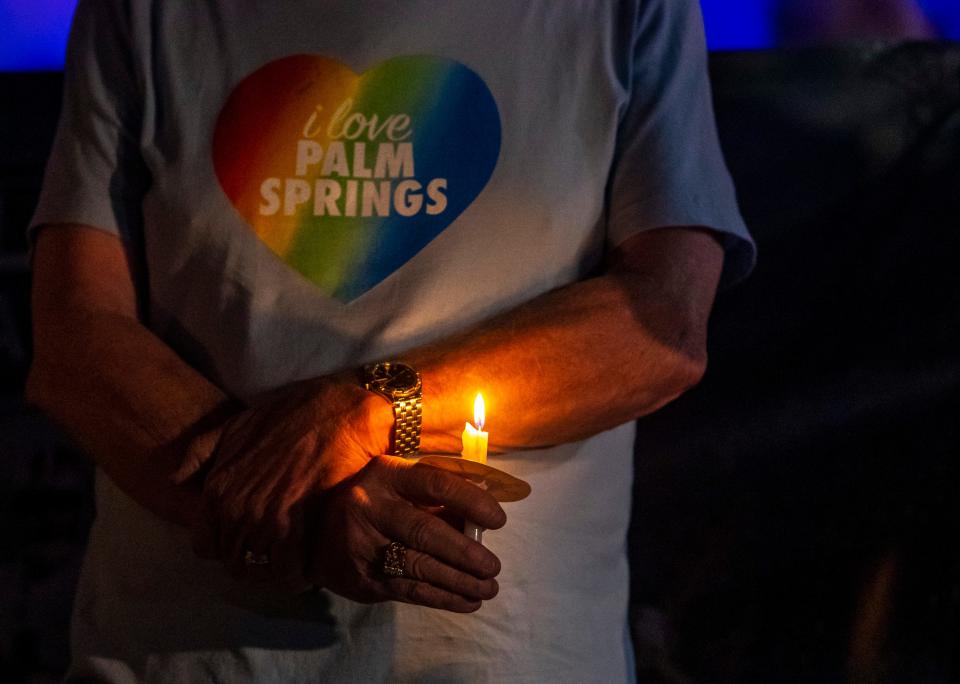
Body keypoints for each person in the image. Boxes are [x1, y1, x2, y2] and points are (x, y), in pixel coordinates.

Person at [27, 0, 755, 681]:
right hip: (185, 658)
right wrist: (313, 521)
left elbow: (662, 325)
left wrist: (367, 406)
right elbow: (76, 336)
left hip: (503, 659)